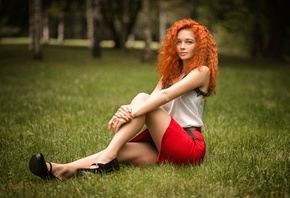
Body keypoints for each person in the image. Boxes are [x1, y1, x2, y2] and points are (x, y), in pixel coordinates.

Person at [29, 18, 218, 181]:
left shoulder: (202, 72)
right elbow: (152, 100)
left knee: (142, 98)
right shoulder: (169, 75)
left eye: (188, 42)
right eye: (178, 42)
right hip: (161, 140)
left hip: (189, 146)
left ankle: (106, 160)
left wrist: (131, 112)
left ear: (199, 45)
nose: (182, 47)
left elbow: (163, 96)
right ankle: (62, 170)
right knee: (125, 148)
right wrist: (127, 110)